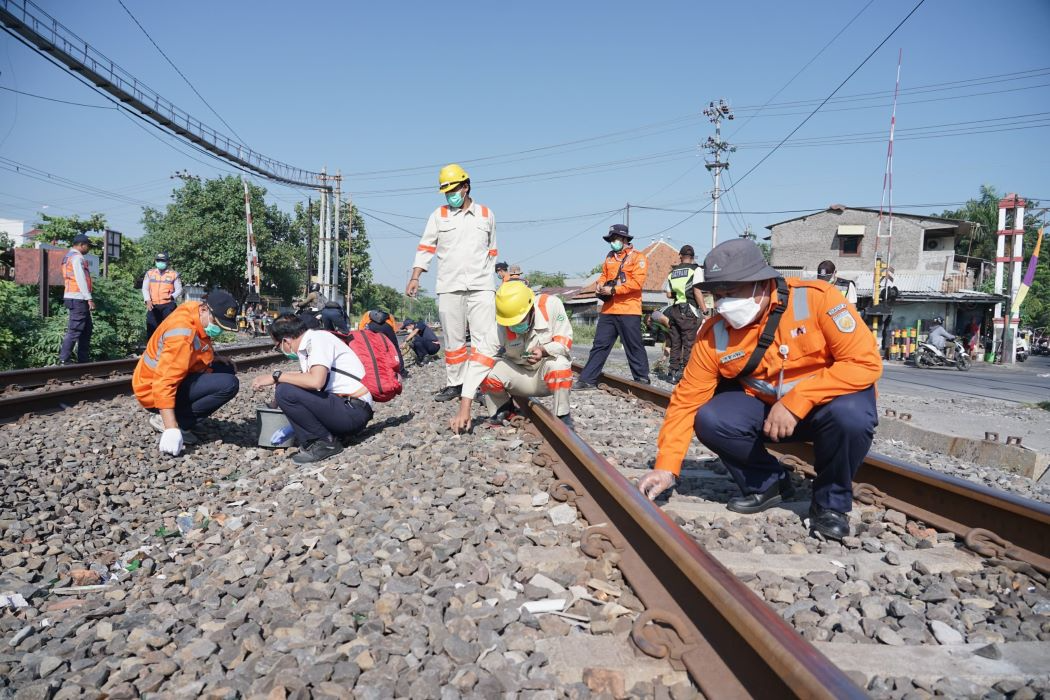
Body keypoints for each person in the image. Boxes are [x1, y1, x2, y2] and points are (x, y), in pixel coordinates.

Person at [637, 239, 882, 541]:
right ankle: (769, 482)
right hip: (768, 414)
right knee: (711, 417)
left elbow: (864, 363)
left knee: (852, 415)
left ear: (763, 283)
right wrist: (666, 467)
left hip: (828, 407)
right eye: (719, 294)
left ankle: (830, 504)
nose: (725, 302)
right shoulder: (714, 334)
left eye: (733, 291)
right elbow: (686, 401)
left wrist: (796, 402)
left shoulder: (818, 299)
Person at [406, 163, 500, 403]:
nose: (450, 195)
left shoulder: (487, 215)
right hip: (449, 286)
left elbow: (492, 251)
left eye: (453, 190)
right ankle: (456, 384)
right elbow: (426, 246)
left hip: (481, 287)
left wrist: (489, 281)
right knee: (454, 340)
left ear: (466, 187)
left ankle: (481, 384)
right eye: (446, 191)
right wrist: (416, 276)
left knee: (483, 340)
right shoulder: (439, 215)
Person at [451, 283, 574, 432]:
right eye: (511, 323)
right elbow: (478, 361)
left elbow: (564, 343)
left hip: (545, 378)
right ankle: (503, 409)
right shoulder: (501, 326)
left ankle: (562, 418)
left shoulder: (550, 306)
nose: (514, 326)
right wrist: (465, 408)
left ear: (531, 308)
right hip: (520, 378)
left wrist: (544, 350)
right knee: (487, 370)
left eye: (519, 321)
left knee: (560, 364)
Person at [132, 290, 241, 457]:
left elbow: (199, 343)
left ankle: (177, 416)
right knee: (229, 384)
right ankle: (174, 421)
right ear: (204, 310)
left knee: (225, 370)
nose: (218, 328)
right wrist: (171, 429)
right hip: (152, 391)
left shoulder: (194, 310)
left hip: (176, 376)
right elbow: (164, 381)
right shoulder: (181, 334)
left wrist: (215, 357)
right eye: (216, 323)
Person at [252, 314, 373, 464]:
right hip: (347, 408)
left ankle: (324, 443)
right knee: (285, 386)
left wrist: (277, 376)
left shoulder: (317, 340)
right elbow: (304, 382)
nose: (280, 350)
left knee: (285, 391)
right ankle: (329, 436)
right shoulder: (311, 344)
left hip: (352, 412)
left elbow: (316, 382)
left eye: (277, 347)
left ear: (285, 341)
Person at [575, 224, 650, 388]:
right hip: (609, 310)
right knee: (599, 345)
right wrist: (599, 285)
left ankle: (642, 379)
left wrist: (614, 289)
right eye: (610, 239)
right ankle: (587, 380)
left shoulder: (639, 258)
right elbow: (603, 275)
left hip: (629, 310)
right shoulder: (610, 257)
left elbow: (637, 283)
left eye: (615, 238)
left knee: (633, 344)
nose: (612, 242)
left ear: (624, 239)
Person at [664, 244, 708, 382]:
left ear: (681, 257)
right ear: (693, 257)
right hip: (689, 311)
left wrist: (679, 294)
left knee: (675, 342)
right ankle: (685, 375)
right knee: (689, 344)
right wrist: (705, 310)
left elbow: (669, 294)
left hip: (675, 310)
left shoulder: (673, 272)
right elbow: (697, 291)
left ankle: (672, 372)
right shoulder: (696, 270)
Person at [58, 234, 95, 365]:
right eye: (88, 246)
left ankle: (83, 360)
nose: (89, 249)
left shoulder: (68, 257)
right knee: (75, 329)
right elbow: (80, 279)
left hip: (73, 296)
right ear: (81, 245)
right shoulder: (77, 258)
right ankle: (64, 359)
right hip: (78, 297)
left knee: (86, 329)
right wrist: (89, 298)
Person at [142, 252, 183, 341]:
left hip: (168, 306)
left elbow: (179, 289)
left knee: (169, 330)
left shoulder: (174, 274)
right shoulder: (150, 273)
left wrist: (172, 297)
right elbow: (145, 288)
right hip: (153, 305)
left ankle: (168, 350)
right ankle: (152, 352)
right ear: (155, 261)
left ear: (167, 261)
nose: (160, 262)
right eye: (158, 260)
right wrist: (147, 300)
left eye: (162, 260)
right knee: (151, 329)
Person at [362, 309, 408, 376]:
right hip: (387, 327)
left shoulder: (367, 314)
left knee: (375, 350)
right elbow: (394, 325)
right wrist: (394, 331)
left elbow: (361, 327)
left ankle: (379, 371)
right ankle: (401, 371)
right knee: (395, 348)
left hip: (372, 327)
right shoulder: (388, 315)